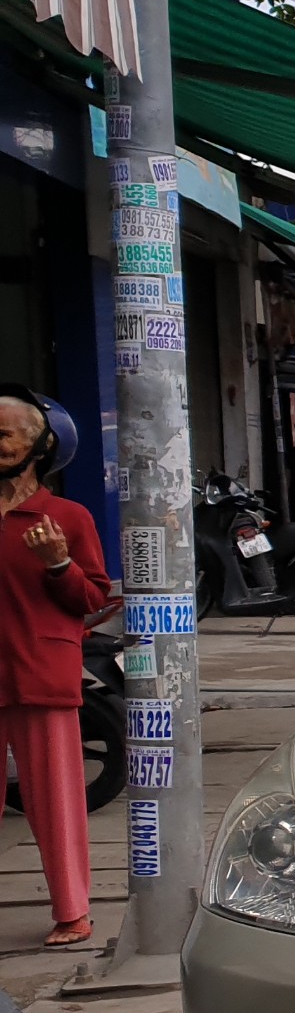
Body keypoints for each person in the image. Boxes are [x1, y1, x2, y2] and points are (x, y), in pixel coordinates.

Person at [0, 386, 113, 947]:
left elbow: (93, 599)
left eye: (4, 434)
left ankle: (72, 909)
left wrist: (58, 563)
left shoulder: (66, 516)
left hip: (40, 672)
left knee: (55, 802)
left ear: (40, 445)